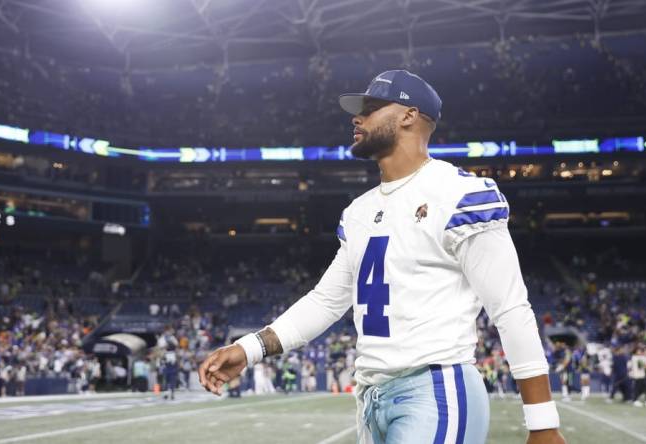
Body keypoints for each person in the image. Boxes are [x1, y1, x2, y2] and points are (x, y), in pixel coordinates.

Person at [199, 70, 565, 444]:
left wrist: (542, 422)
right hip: (371, 400)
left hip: (436, 390)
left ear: (408, 115)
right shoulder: (359, 211)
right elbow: (326, 301)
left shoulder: (459, 194)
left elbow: (511, 309)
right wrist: (248, 349)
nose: (357, 118)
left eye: (371, 108)